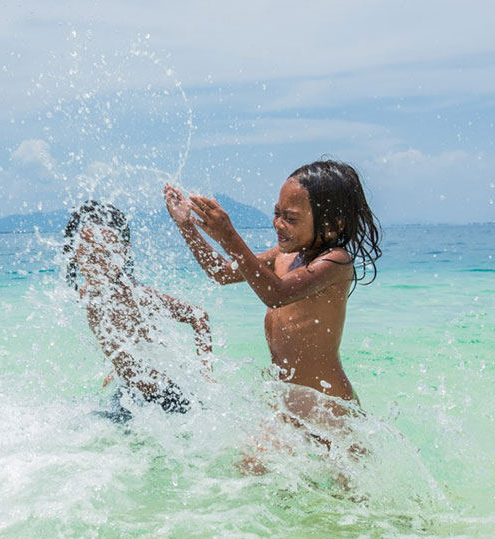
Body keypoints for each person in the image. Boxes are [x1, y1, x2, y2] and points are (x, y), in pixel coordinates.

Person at [164, 160, 381, 461]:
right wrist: (185, 225)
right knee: (251, 469)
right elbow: (221, 273)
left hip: (328, 409)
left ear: (332, 225)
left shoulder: (335, 263)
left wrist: (229, 235)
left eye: (290, 218)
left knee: (353, 504)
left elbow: (275, 294)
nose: (278, 224)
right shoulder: (283, 255)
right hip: (287, 406)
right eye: (277, 213)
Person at [64, 200, 211, 420]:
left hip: (165, 396)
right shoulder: (88, 293)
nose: (98, 264)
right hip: (128, 391)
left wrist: (206, 373)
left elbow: (198, 315)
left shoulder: (135, 295)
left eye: (106, 254)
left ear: (123, 254)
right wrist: (118, 367)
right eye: (90, 255)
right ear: (75, 255)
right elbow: (129, 338)